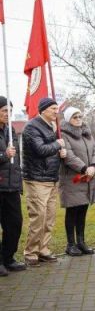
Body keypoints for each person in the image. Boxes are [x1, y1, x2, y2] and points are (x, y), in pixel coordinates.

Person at [21, 97, 65, 265]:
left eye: (57, 108)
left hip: (52, 178)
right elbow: (40, 149)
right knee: (39, 217)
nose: (56, 111)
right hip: (37, 179)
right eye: (53, 108)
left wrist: (61, 152)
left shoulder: (51, 126)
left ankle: (43, 248)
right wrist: (57, 144)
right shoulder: (32, 127)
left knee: (49, 217)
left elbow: (51, 149)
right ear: (43, 110)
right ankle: (31, 251)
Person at [58, 107, 95, 257]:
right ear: (68, 119)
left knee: (82, 210)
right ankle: (71, 244)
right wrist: (84, 168)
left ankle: (81, 242)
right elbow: (68, 155)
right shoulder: (63, 134)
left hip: (87, 178)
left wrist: (94, 166)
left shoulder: (87, 133)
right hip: (72, 179)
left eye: (80, 116)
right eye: (75, 117)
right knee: (72, 211)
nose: (78, 119)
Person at [0, 97, 25, 276]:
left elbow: (16, 161)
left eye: (9, 111)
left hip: (11, 186)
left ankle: (8, 257)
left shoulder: (11, 131)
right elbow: (6, 156)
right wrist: (3, 154)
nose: (7, 115)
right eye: (3, 111)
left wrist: (19, 183)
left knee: (15, 224)